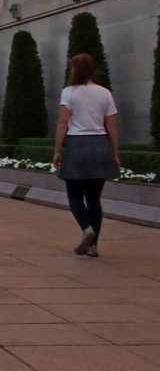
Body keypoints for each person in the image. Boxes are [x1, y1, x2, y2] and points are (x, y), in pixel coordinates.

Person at [52, 52, 120, 257]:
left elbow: (63, 123)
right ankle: (93, 246)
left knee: (74, 195)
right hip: (100, 146)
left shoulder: (69, 92)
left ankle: (86, 229)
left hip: (77, 145)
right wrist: (115, 153)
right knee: (94, 198)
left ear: (75, 70)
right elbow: (112, 127)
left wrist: (57, 150)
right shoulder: (105, 93)